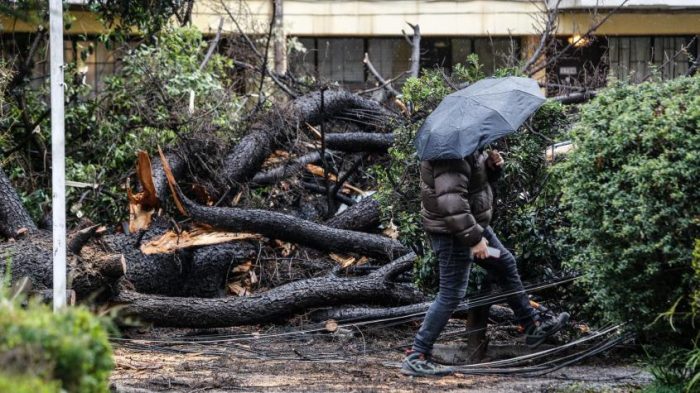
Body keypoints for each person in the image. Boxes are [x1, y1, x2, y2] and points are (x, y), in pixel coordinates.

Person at [401, 149, 570, 377]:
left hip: (473, 226)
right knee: (451, 293)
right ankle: (417, 355)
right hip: (454, 234)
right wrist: (474, 240)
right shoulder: (450, 152)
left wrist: (491, 168)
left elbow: (472, 186)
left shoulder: (468, 147)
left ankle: (531, 325)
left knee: (504, 263)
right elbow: (451, 202)